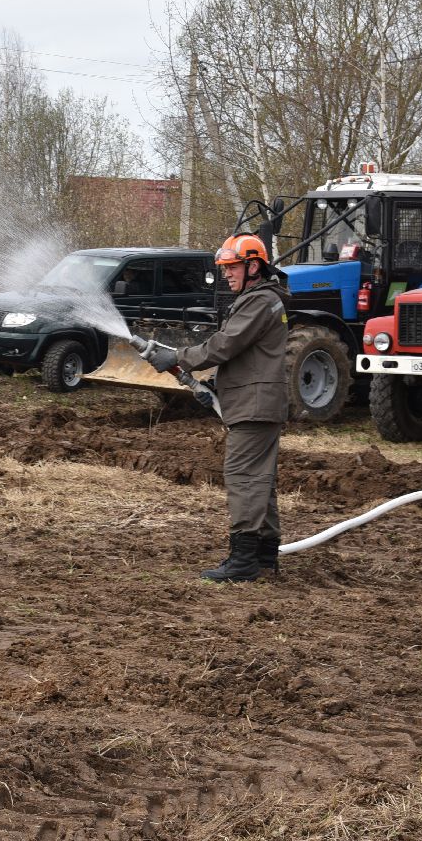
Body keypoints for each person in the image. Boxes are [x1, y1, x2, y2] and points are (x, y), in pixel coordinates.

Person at [147, 234, 290, 581]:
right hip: (255, 402)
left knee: (243, 477)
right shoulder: (260, 300)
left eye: (232, 267)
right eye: (224, 268)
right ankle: (264, 558)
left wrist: (178, 357)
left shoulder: (260, 301)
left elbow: (224, 345)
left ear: (253, 266)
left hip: (255, 406)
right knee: (260, 480)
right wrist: (214, 385)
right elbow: (247, 356)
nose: (226, 274)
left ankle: (243, 562)